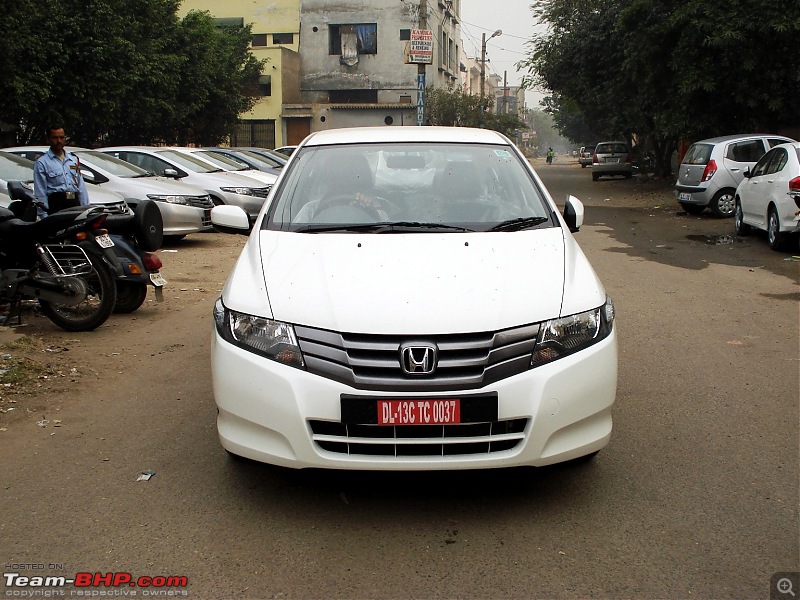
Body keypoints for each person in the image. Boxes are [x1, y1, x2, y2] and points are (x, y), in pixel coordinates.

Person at [33, 125, 89, 217]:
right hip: (56, 206)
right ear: (48, 139)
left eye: (61, 137)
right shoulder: (42, 162)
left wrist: (86, 209)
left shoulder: (73, 160)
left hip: (74, 204)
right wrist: (44, 216)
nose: (59, 141)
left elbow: (81, 187)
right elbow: (40, 192)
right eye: (55, 138)